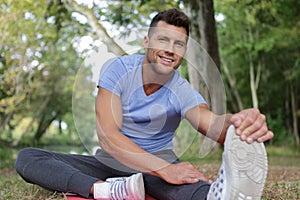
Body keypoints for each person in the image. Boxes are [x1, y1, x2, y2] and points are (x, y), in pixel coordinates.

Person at [15, 9, 274, 200]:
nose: (170, 49)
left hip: (155, 169)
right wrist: (164, 169)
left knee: (190, 188)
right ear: (147, 42)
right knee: (29, 157)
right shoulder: (118, 70)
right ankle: (104, 190)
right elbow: (107, 135)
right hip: (108, 164)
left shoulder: (181, 89)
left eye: (179, 44)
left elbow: (211, 123)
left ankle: (218, 195)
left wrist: (237, 123)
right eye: (163, 40)